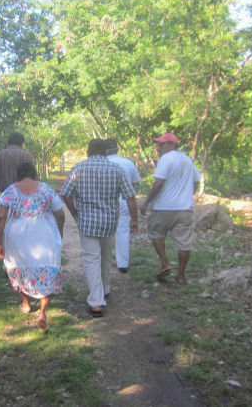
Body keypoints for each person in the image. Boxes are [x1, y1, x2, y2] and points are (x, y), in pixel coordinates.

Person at [61, 139, 138, 318]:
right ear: (106, 152)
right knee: (105, 256)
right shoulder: (116, 169)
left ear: (88, 152)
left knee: (91, 259)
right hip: (109, 222)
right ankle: (105, 288)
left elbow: (65, 194)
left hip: (87, 222)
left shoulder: (78, 169)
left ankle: (96, 302)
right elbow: (130, 197)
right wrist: (134, 220)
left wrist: (74, 213)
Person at [0, 162, 65, 333]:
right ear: (34, 173)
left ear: (18, 174)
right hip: (44, 234)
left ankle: (26, 304)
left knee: (17, 266)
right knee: (49, 267)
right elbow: (60, 214)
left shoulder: (10, 191)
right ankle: (42, 313)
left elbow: (1, 217)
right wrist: (59, 231)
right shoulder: (46, 189)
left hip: (17, 235)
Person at [140, 133, 202, 284]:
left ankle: (165, 263)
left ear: (172, 145)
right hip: (185, 208)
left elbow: (158, 183)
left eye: (164, 144)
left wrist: (147, 202)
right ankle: (181, 276)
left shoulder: (166, 159)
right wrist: (189, 195)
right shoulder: (187, 160)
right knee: (184, 242)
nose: (161, 147)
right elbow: (196, 180)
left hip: (164, 206)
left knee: (156, 233)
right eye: (160, 144)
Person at [105, 138, 142, 273]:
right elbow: (135, 182)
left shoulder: (103, 163)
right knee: (123, 231)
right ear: (117, 149)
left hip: (106, 201)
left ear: (105, 150)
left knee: (105, 231)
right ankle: (123, 264)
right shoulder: (127, 163)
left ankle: (104, 260)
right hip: (124, 200)